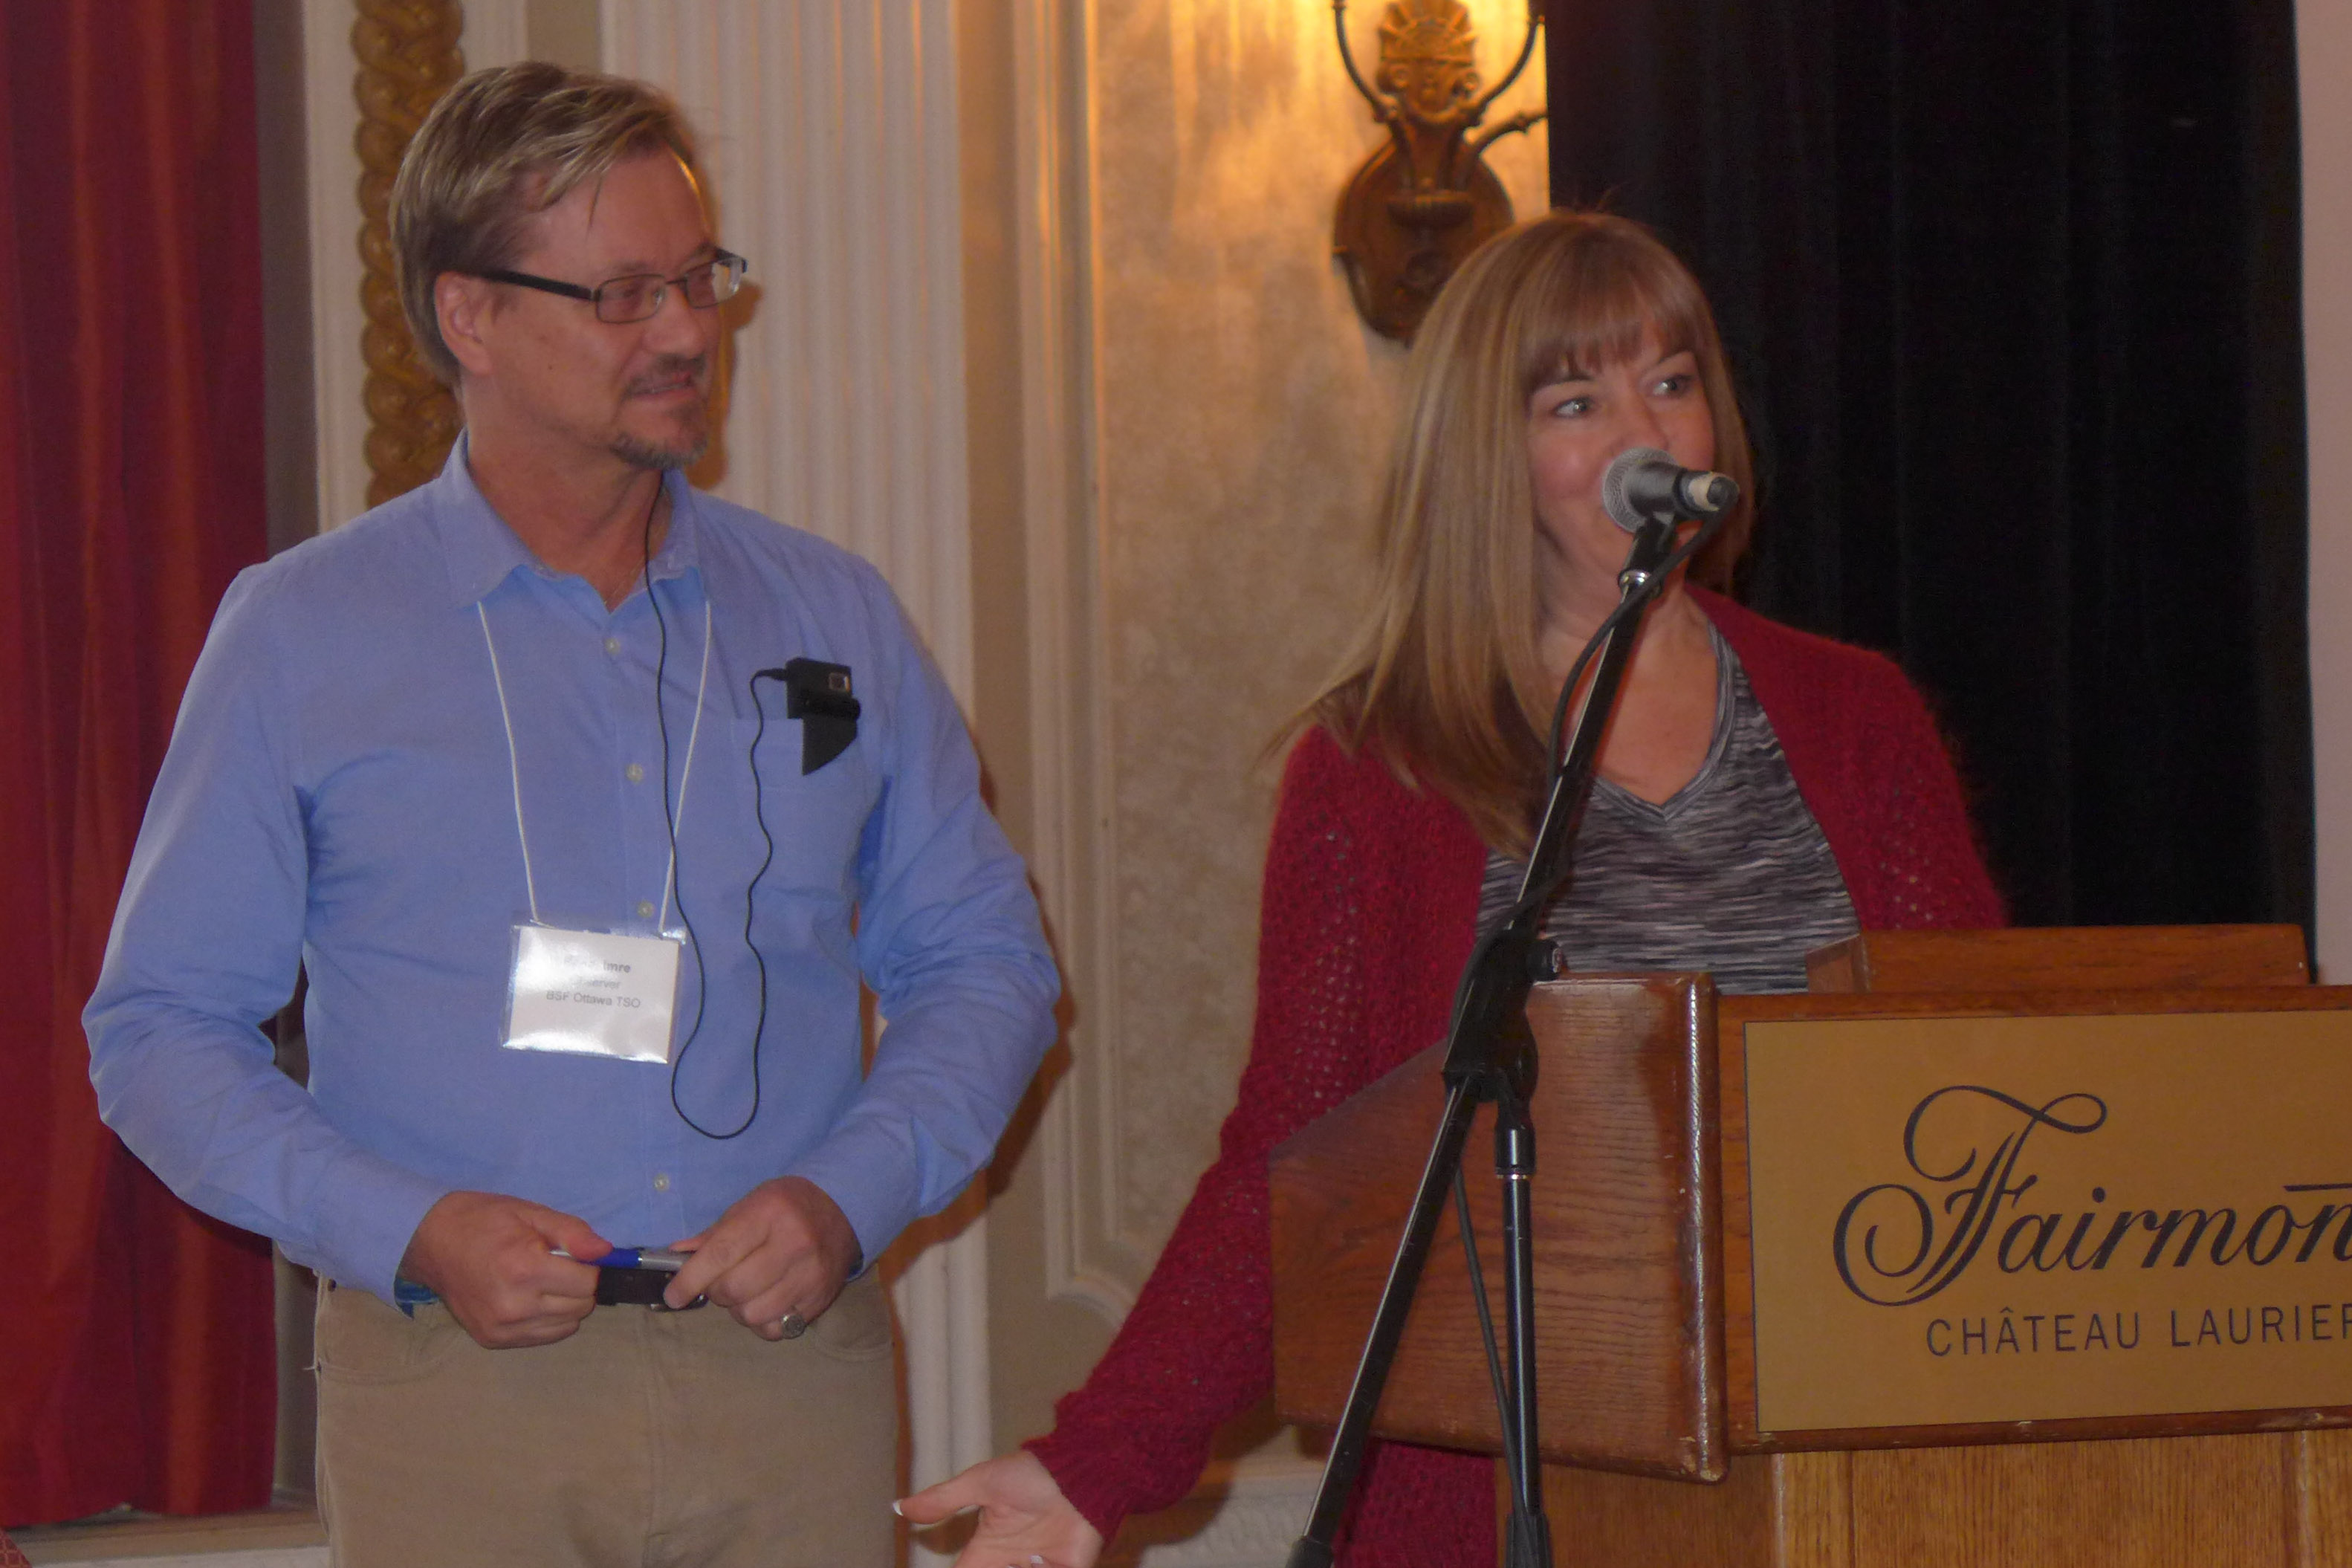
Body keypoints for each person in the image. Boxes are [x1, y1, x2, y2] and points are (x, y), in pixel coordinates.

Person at [898, 211, 2003, 1566]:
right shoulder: (1382, 763)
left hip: (1834, 1468)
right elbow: (1296, 1160)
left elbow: (1972, 1073)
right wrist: (1098, 1461)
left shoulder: (1854, 717)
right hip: (1493, 1492)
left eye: (1671, 380)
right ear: (1492, 453)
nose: (1643, 433)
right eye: (1576, 400)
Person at [83, 63, 1057, 1567]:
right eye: (620, 295)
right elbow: (156, 1029)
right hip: (458, 1392)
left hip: (787, 1373)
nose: (686, 332)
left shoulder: (834, 613)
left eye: (697, 278)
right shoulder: (302, 632)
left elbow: (985, 958)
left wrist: (847, 1193)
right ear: (470, 316)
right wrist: (404, 1226)